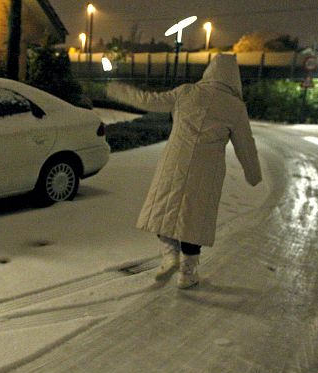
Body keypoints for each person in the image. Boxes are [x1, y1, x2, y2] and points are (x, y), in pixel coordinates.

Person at [106, 54, 262, 289]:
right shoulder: (235, 108)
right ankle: (187, 273)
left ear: (209, 72)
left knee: (164, 211)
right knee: (194, 220)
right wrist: (253, 174)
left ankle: (169, 254)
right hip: (207, 170)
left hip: (175, 162)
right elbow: (245, 144)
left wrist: (119, 91)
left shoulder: (186, 92)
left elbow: (149, 100)